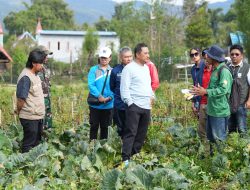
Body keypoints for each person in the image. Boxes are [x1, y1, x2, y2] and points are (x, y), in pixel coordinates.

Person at [192, 45, 233, 155]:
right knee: (211, 139)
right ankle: (212, 162)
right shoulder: (215, 70)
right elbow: (211, 89)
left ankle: (221, 165)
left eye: (208, 56)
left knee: (219, 140)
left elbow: (223, 90)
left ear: (214, 58)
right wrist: (200, 90)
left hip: (219, 112)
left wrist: (205, 92)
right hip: (212, 110)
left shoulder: (224, 71)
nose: (206, 57)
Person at [120, 43, 155, 165]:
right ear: (137, 54)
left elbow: (148, 85)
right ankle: (125, 159)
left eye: (148, 53)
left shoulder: (146, 68)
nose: (148, 55)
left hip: (146, 106)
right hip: (134, 106)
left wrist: (152, 96)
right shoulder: (129, 68)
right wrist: (130, 103)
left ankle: (135, 156)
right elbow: (124, 89)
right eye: (145, 53)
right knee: (131, 132)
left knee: (141, 134)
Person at [16, 50, 46, 153]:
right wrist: (19, 111)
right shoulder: (26, 77)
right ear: (33, 63)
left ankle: (34, 166)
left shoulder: (35, 75)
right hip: (29, 117)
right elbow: (21, 98)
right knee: (29, 144)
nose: (42, 65)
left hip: (37, 116)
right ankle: (25, 166)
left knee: (36, 143)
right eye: (41, 63)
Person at [87, 47, 114, 140]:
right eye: (102, 57)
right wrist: (99, 96)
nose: (104, 60)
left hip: (108, 104)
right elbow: (91, 85)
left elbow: (115, 87)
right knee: (94, 126)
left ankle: (103, 148)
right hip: (95, 104)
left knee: (105, 127)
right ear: (99, 58)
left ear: (110, 58)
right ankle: (92, 146)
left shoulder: (112, 71)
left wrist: (110, 97)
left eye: (106, 58)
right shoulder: (93, 70)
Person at [110, 46, 133, 138]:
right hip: (119, 105)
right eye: (126, 57)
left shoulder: (137, 69)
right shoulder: (115, 71)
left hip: (133, 105)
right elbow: (112, 87)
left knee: (131, 128)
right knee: (120, 129)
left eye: (130, 56)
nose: (129, 59)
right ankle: (120, 148)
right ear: (121, 57)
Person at [227, 44, 250, 135]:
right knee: (230, 128)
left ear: (242, 55)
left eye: (237, 54)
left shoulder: (247, 67)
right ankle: (232, 148)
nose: (234, 56)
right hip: (228, 103)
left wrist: (249, 100)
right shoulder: (226, 67)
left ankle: (244, 148)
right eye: (232, 54)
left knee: (242, 129)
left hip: (241, 103)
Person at [190, 47, 212, 141]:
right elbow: (195, 85)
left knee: (210, 128)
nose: (194, 56)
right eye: (192, 55)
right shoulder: (193, 69)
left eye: (196, 54)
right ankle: (205, 149)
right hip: (200, 99)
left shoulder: (208, 67)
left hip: (210, 100)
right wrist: (193, 101)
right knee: (201, 127)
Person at [33, 46, 53, 130]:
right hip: (37, 106)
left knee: (47, 129)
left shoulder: (44, 69)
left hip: (47, 104)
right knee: (38, 129)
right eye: (45, 55)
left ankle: (47, 142)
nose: (47, 57)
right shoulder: (32, 70)